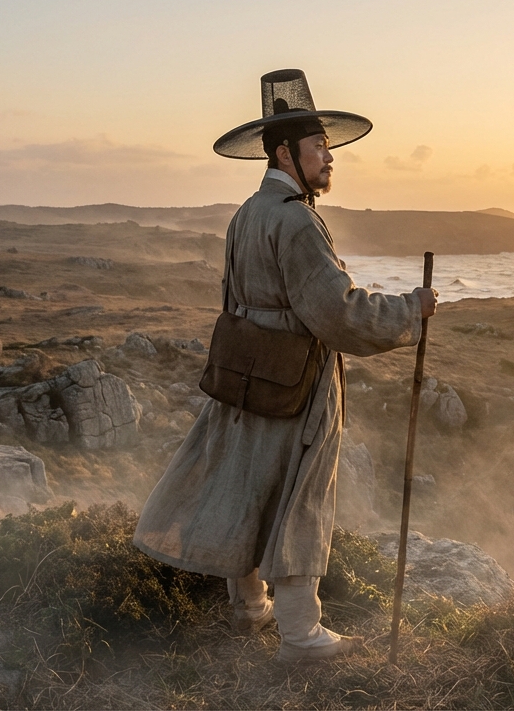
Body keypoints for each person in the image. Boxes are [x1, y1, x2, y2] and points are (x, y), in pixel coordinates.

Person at [133, 69, 437, 662]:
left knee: (247, 484)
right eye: (319, 146)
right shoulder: (296, 219)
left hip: (248, 374)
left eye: (327, 146)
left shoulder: (246, 213)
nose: (330, 158)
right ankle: (300, 635)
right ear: (284, 153)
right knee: (302, 495)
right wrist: (412, 311)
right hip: (297, 380)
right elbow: (339, 313)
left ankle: (249, 607)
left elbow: (233, 300)